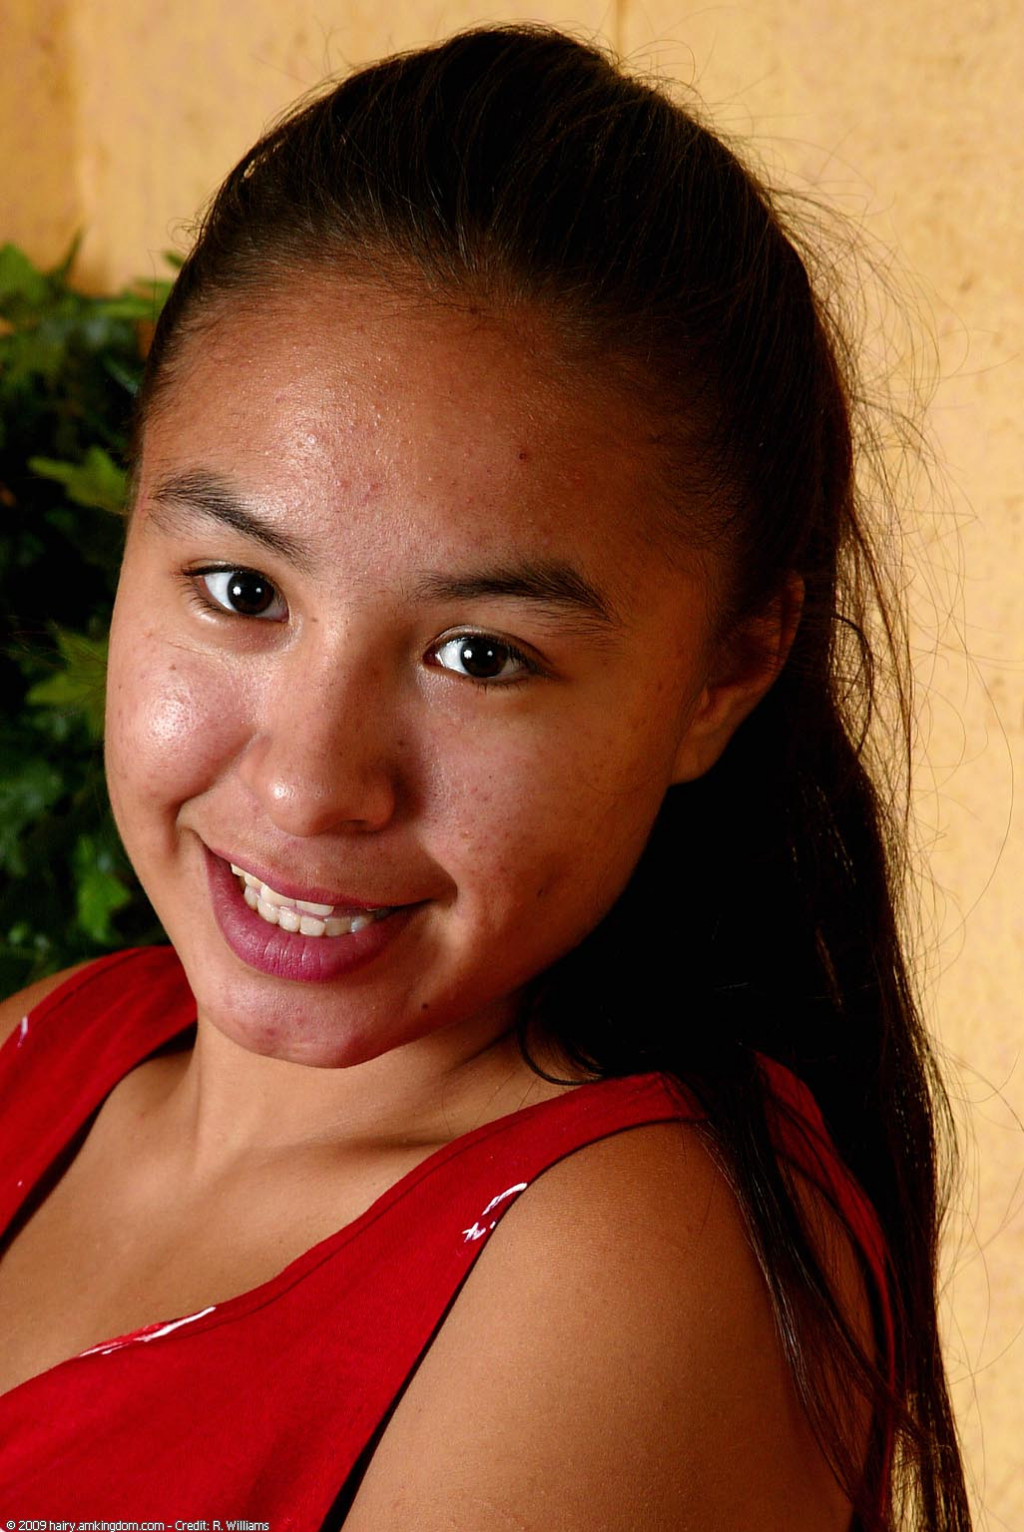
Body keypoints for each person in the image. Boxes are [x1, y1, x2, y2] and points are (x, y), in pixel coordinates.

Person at [0, 24, 970, 1530]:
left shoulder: (622, 1264)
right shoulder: (43, 1049)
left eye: (480, 656)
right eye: (242, 592)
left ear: (727, 672)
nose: (313, 785)